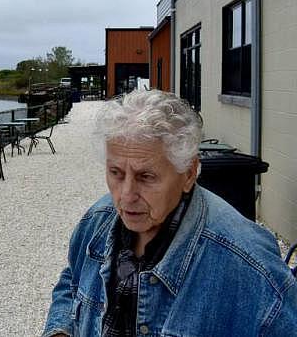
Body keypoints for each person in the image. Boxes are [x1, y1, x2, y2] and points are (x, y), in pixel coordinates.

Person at [42, 89, 297, 337]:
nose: (126, 195)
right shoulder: (97, 221)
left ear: (188, 173)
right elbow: (73, 281)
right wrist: (60, 330)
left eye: (146, 176)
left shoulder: (249, 266)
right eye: (116, 173)